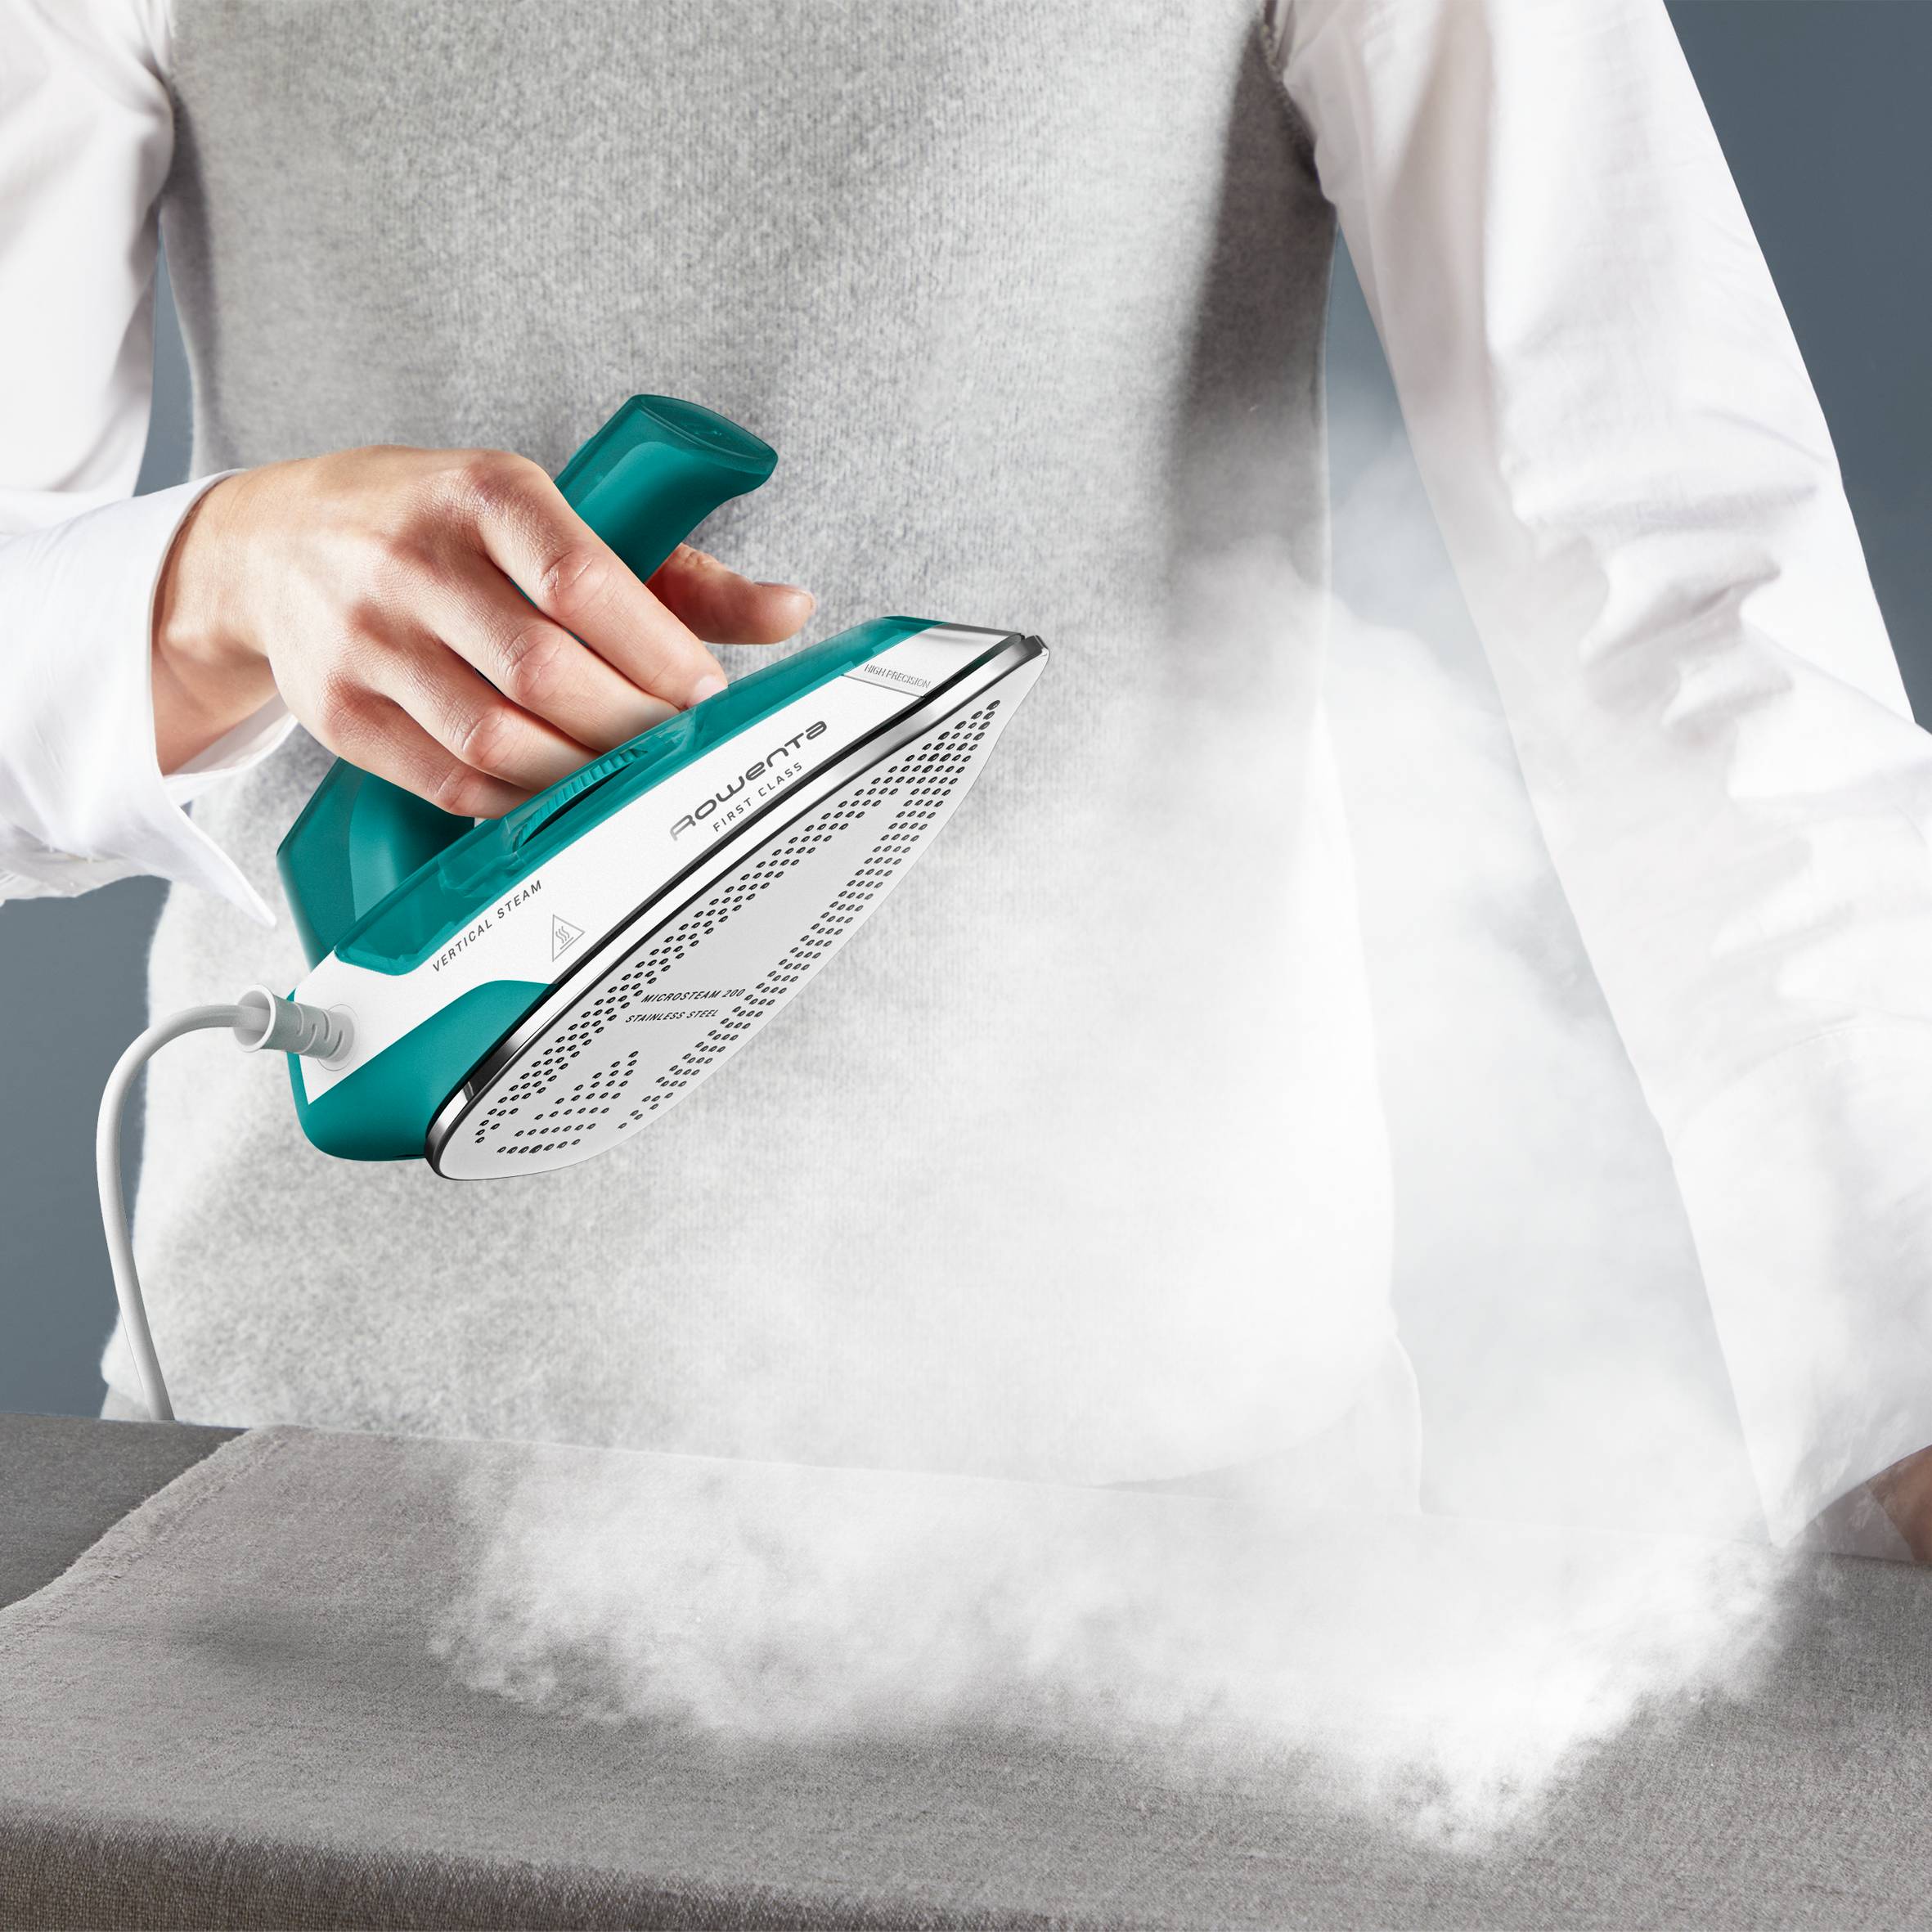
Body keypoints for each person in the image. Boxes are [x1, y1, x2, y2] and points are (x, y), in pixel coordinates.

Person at [5, 0, 1930, 1557]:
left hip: (1153, 1496)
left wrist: (1907, 1357)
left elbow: (1680, 594)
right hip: (304, 1477)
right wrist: (215, 579)